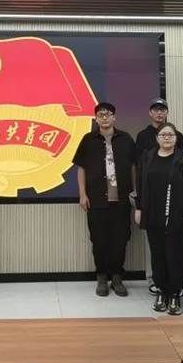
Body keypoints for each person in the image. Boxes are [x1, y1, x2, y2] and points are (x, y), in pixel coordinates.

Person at [135, 122, 183, 315]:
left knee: (175, 255)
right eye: (163, 135)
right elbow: (139, 184)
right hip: (152, 215)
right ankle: (161, 291)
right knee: (157, 255)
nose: (166, 138)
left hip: (177, 216)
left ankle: (175, 293)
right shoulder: (148, 157)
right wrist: (138, 208)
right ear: (157, 138)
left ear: (176, 138)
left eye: (170, 135)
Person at [72, 102, 136, 297]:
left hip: (122, 200)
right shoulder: (88, 140)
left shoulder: (126, 139)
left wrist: (135, 192)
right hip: (96, 200)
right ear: (96, 119)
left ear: (114, 117)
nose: (105, 117)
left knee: (120, 239)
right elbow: (81, 168)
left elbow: (134, 167)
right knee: (99, 240)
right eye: (101, 114)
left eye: (108, 114)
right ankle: (101, 276)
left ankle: (116, 276)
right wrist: (83, 194)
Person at [134, 98, 183, 295]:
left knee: (175, 249)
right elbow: (139, 173)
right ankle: (158, 282)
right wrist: (139, 206)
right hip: (152, 204)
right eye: (156, 110)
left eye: (162, 109)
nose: (159, 113)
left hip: (175, 205)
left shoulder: (179, 139)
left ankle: (176, 286)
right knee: (156, 249)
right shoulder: (143, 137)